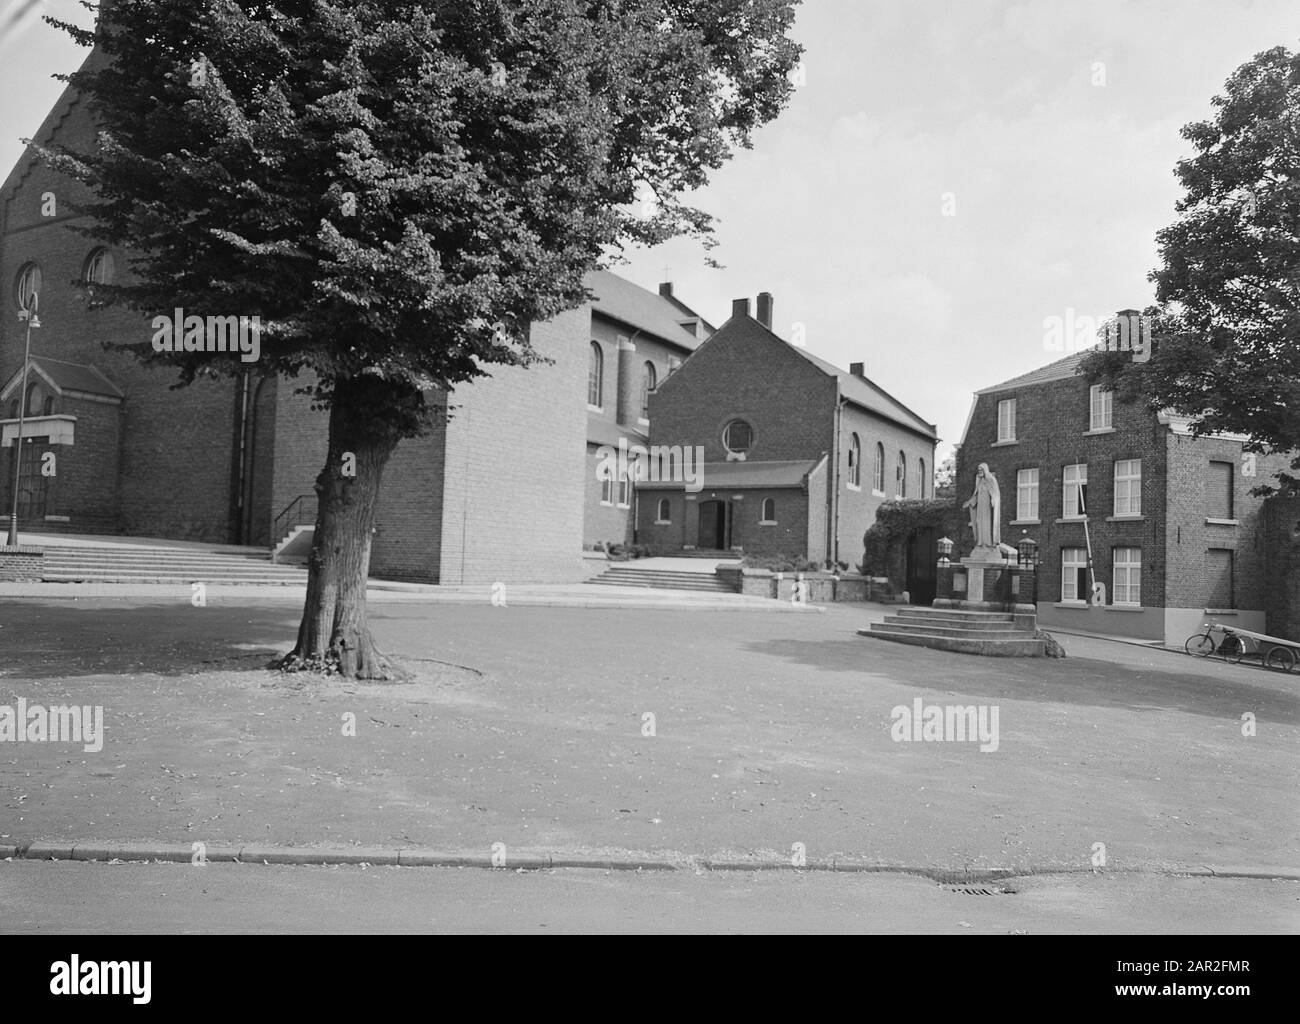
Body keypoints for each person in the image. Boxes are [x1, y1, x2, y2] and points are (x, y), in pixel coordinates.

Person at [964, 463, 1001, 548]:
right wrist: (970, 502)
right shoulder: (979, 481)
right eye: (979, 470)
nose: (980, 471)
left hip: (987, 507)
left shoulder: (991, 479)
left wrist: (993, 500)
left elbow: (996, 493)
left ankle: (988, 542)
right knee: (979, 522)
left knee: (987, 523)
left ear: (985, 470)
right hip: (980, 506)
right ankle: (980, 542)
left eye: (981, 469)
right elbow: (976, 495)